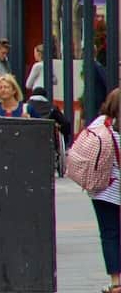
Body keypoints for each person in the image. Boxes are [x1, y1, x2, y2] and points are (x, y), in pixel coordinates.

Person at [82, 89, 121, 293]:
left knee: (109, 233)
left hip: (104, 189)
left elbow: (82, 148)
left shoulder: (100, 124)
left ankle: (116, 282)